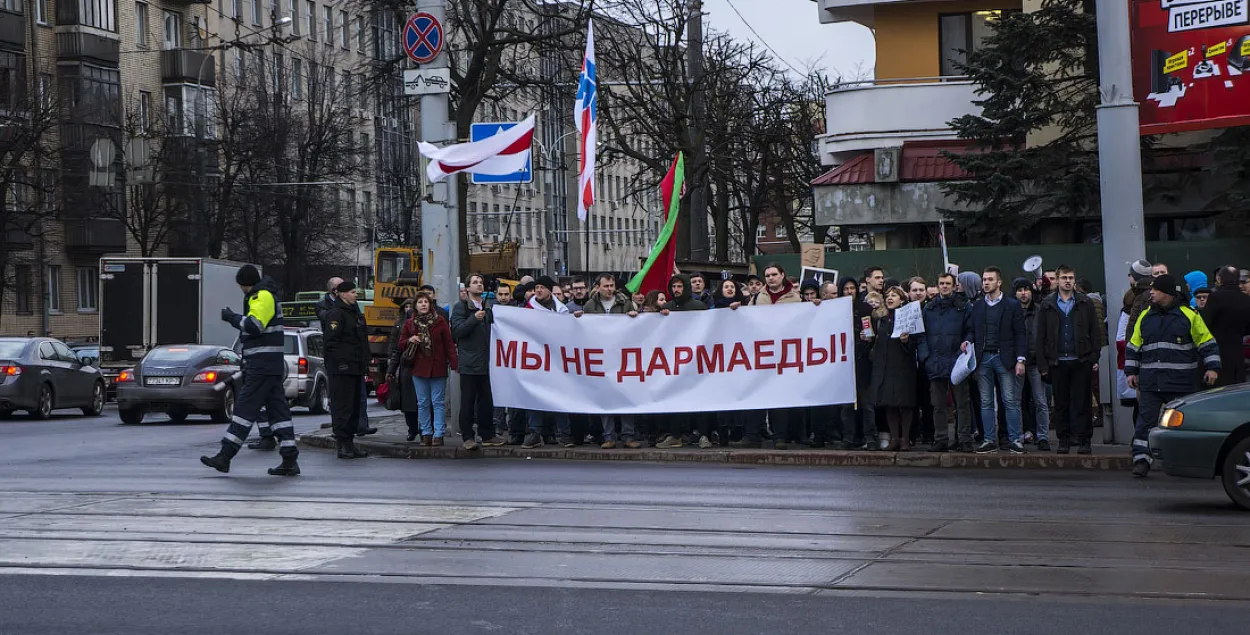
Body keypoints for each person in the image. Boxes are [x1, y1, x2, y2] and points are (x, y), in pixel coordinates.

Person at [200, 265, 299, 476]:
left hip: (262, 367)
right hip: (268, 365)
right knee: (278, 413)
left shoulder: (261, 296)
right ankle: (289, 459)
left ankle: (225, 456)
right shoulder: (266, 295)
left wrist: (231, 317)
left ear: (245, 284)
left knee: (244, 410)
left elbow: (254, 326)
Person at [1126, 274, 1220, 477]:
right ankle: (1141, 460)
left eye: (1155, 290)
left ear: (1166, 293)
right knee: (1145, 424)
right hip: (1152, 382)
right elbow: (1134, 345)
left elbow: (1207, 343)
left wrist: (1213, 368)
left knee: (1186, 424)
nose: (1151, 292)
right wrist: (1131, 372)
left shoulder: (1189, 315)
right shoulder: (1145, 316)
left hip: (1181, 383)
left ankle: (1188, 461)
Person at [1035, 265, 1103, 455]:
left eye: (1071, 277)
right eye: (1064, 277)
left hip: (1081, 360)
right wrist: (1043, 365)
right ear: (1057, 279)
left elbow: (1095, 332)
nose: (1067, 280)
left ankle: (1084, 440)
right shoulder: (1048, 304)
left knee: (1083, 403)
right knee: (1061, 403)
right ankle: (1063, 440)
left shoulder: (1084, 302)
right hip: (1057, 361)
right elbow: (1040, 336)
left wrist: (1093, 356)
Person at [577, 273, 641, 449]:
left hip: (622, 357)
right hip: (602, 358)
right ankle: (609, 437)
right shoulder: (590, 305)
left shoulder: (625, 302)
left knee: (625, 396)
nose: (609, 289)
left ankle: (628, 436)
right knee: (606, 397)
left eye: (612, 285)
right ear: (598, 287)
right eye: (606, 286)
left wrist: (635, 316)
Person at [970, 267, 1028, 454]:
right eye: (984, 279)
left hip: (1005, 357)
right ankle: (988, 439)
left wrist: (1020, 359)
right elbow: (972, 330)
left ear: (999, 282)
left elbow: (1020, 333)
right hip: (983, 357)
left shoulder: (1012, 305)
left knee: (1010, 400)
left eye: (990, 279)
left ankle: (1014, 439)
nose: (986, 283)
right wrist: (967, 341)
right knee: (986, 401)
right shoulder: (978, 306)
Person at [312, 277, 376, 439]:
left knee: (355, 406)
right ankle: (343, 443)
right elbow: (332, 342)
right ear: (342, 294)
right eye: (353, 292)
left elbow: (361, 339)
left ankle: (351, 440)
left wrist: (365, 360)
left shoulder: (355, 313)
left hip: (356, 367)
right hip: (342, 369)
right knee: (343, 406)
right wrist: (341, 363)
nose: (356, 295)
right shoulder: (336, 314)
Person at [919, 273, 975, 453]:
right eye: (941, 283)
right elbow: (921, 335)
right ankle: (941, 439)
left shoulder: (964, 307)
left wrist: (966, 344)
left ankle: (964, 438)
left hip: (957, 360)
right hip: (935, 361)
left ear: (954, 286)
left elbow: (970, 330)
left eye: (947, 284)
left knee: (962, 403)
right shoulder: (928, 309)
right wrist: (925, 357)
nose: (944, 286)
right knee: (938, 404)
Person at [451, 273, 506, 450]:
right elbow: (457, 332)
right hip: (469, 363)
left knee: (486, 401)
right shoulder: (461, 308)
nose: (479, 285)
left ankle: (487, 433)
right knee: (467, 401)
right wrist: (474, 319)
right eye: (475, 283)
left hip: (487, 362)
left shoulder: (488, 306)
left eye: (481, 282)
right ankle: (468, 436)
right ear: (467, 288)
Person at [522, 277, 573, 448]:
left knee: (560, 397)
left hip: (557, 361)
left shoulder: (561, 310)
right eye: (536, 287)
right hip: (536, 360)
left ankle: (564, 435)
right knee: (535, 397)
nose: (538, 290)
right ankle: (535, 433)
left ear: (550, 290)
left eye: (542, 287)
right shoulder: (529, 308)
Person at [402, 293, 457, 446]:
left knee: (438, 402)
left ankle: (438, 434)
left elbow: (449, 344)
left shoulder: (440, 322)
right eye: (420, 302)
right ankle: (426, 433)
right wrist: (409, 340)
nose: (424, 304)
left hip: (438, 366)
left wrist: (454, 363)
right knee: (422, 402)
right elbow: (400, 344)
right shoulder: (410, 323)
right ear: (415, 305)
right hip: (418, 368)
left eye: (426, 301)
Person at [866, 287, 917, 451]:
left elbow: (916, 342)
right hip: (884, 365)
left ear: (902, 299)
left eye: (894, 295)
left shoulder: (908, 316)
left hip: (903, 366)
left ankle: (905, 439)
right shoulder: (881, 318)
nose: (889, 298)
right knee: (889, 403)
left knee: (904, 403)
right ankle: (894, 438)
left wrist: (906, 341)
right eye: (887, 295)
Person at [1013, 277, 1051, 451]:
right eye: (1020, 290)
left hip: (1036, 362)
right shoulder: (1011, 311)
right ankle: (1018, 436)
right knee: (1015, 401)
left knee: (1040, 401)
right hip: (1016, 363)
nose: (1023, 293)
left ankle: (1043, 437)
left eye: (1026, 290)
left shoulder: (1040, 310)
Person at [1201, 266, 1250, 387]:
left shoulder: (1215, 298)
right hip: (1238, 353)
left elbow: (1205, 324)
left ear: (1219, 279)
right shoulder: (1246, 300)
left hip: (1217, 353)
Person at [386, 299, 424, 442]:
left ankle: (425, 428)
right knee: (408, 402)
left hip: (423, 367)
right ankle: (412, 429)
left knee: (424, 401)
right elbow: (397, 349)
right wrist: (390, 370)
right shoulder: (402, 326)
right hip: (407, 367)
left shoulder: (428, 325)